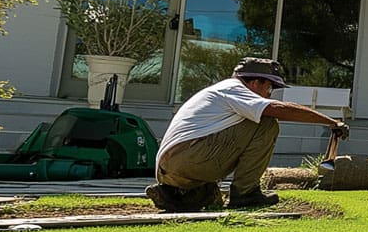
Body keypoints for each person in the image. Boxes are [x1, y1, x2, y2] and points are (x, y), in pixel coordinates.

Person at [148, 57, 351, 212]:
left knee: (253, 122)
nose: (269, 92)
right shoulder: (234, 88)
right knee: (266, 123)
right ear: (255, 83)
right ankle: (245, 193)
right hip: (186, 158)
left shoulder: (220, 91)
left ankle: (180, 193)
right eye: (269, 86)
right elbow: (279, 109)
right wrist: (331, 121)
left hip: (174, 165)